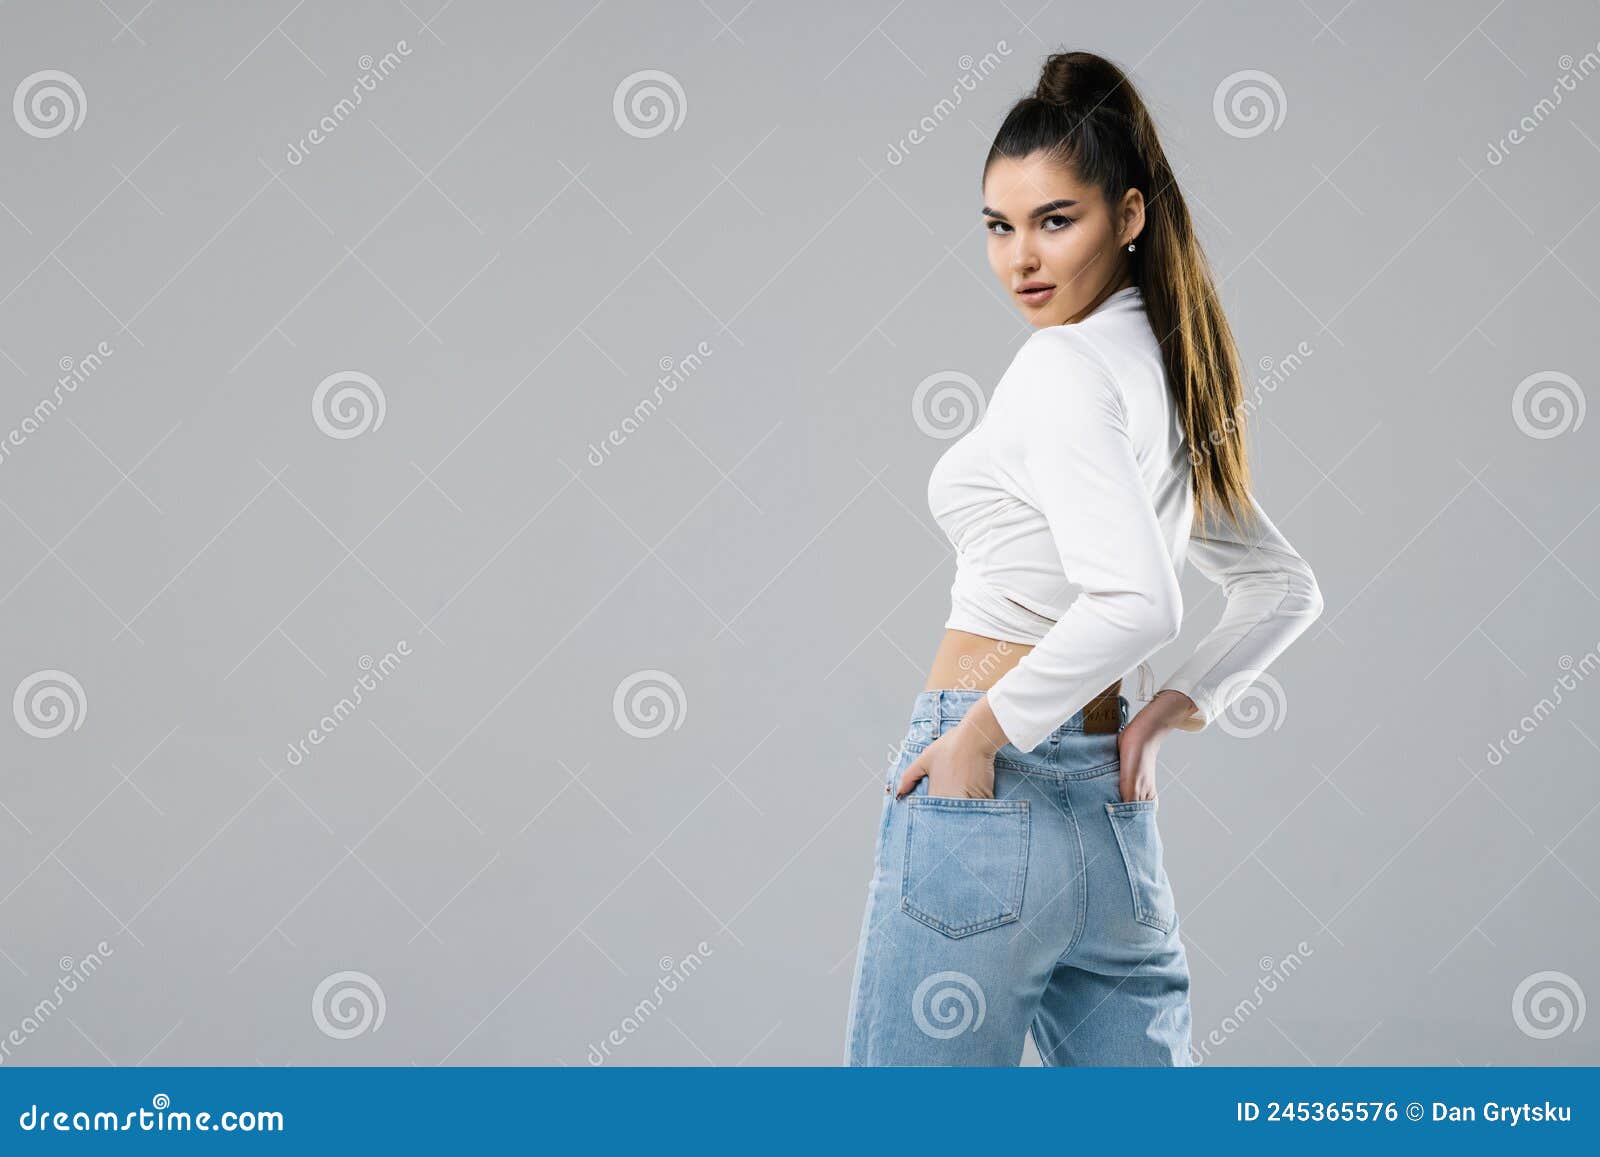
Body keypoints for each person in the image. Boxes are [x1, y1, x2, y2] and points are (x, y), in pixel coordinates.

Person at [842, 49, 1325, 1067]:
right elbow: (1284, 588)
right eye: (998, 225)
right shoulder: (1166, 367)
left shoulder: (1060, 366)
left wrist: (980, 734)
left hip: (989, 796)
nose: (1021, 256)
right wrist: (1165, 708)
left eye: (1054, 221)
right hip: (1108, 817)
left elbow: (1137, 601)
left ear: (1130, 215)